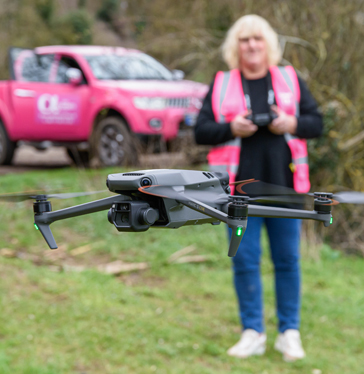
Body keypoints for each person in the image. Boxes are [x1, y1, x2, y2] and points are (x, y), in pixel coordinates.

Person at [194, 15, 323, 361]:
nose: (251, 45)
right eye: (244, 39)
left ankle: (289, 334)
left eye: (257, 39)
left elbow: (316, 122)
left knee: (288, 260)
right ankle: (252, 332)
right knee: (246, 261)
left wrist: (292, 123)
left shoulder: (290, 78)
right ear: (235, 46)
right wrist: (231, 128)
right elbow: (200, 130)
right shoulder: (221, 83)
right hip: (236, 194)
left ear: (268, 44)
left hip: (286, 190)